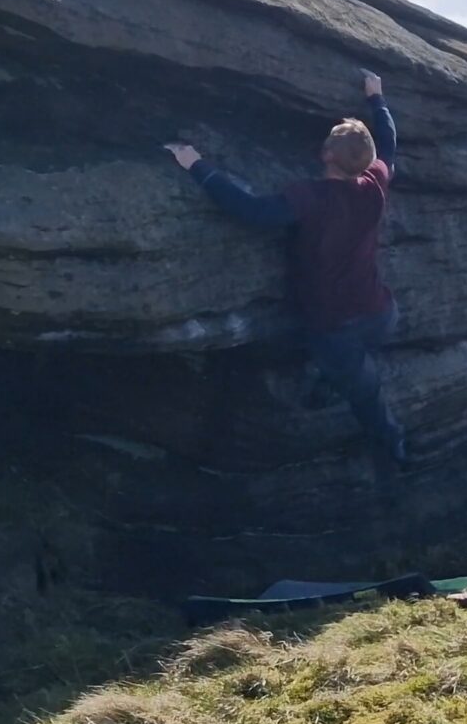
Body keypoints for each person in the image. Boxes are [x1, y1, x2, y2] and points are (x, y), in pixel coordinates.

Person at [166, 71, 407, 470]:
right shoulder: (375, 185)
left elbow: (253, 211)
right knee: (349, 364)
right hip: (381, 313)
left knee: (365, 392)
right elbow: (389, 144)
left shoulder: (310, 199)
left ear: (326, 154)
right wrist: (377, 98)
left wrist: (196, 164)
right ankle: (335, 380)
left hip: (336, 324)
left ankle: (392, 444)